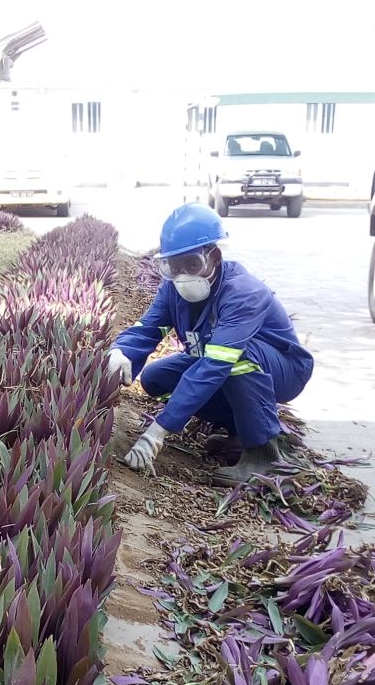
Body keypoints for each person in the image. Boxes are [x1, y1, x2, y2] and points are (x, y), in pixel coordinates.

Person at [108, 203, 313, 483]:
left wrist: (159, 430)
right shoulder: (172, 290)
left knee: (235, 359)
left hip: (281, 368)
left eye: (192, 264)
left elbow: (216, 364)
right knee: (156, 378)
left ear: (213, 256)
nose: (184, 275)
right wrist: (121, 351)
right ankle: (241, 429)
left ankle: (263, 453)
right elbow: (148, 328)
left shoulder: (243, 293)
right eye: (174, 266)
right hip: (216, 358)